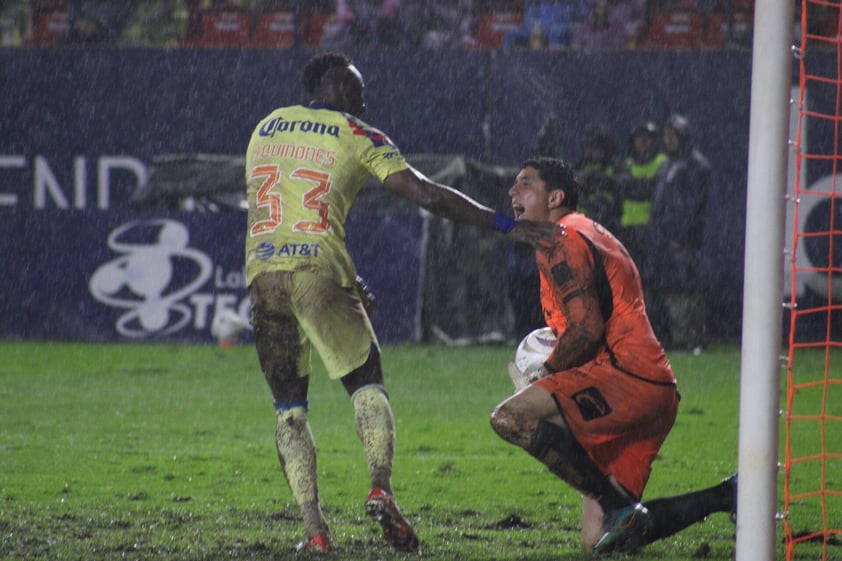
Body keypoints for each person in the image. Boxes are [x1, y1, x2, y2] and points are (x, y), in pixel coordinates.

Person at [244, 51, 557, 553]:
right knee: (367, 383)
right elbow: (429, 196)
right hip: (320, 273)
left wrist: (348, 271)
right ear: (335, 85)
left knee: (289, 409)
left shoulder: (266, 128)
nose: (363, 100)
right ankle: (380, 489)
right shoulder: (360, 134)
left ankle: (315, 531)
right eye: (357, 89)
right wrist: (506, 225)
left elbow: (292, 215)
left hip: (262, 277)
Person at [489, 156, 736, 555]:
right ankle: (727, 496)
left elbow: (587, 329)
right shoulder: (588, 230)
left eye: (524, 184)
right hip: (657, 391)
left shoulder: (560, 237)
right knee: (600, 539)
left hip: (625, 381)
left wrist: (545, 373)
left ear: (555, 197)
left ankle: (619, 504)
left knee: (510, 416)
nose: (512, 192)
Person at [644, 113, 711, 352]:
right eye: (666, 136)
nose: (668, 140)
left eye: (673, 136)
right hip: (662, 240)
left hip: (682, 242)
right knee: (665, 291)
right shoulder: (666, 165)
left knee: (686, 290)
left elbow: (694, 208)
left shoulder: (696, 165)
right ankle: (672, 336)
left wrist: (681, 237)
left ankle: (692, 339)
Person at [614, 120, 667, 266]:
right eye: (640, 139)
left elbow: (654, 192)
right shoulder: (627, 164)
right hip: (627, 227)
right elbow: (622, 190)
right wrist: (641, 186)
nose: (643, 143)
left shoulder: (662, 162)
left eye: (647, 139)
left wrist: (636, 187)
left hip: (651, 228)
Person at [574, 124, 623, 233]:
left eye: (594, 147)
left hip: (607, 226)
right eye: (588, 147)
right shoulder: (580, 166)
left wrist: (592, 181)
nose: (590, 152)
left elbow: (619, 186)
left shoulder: (614, 167)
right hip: (581, 225)